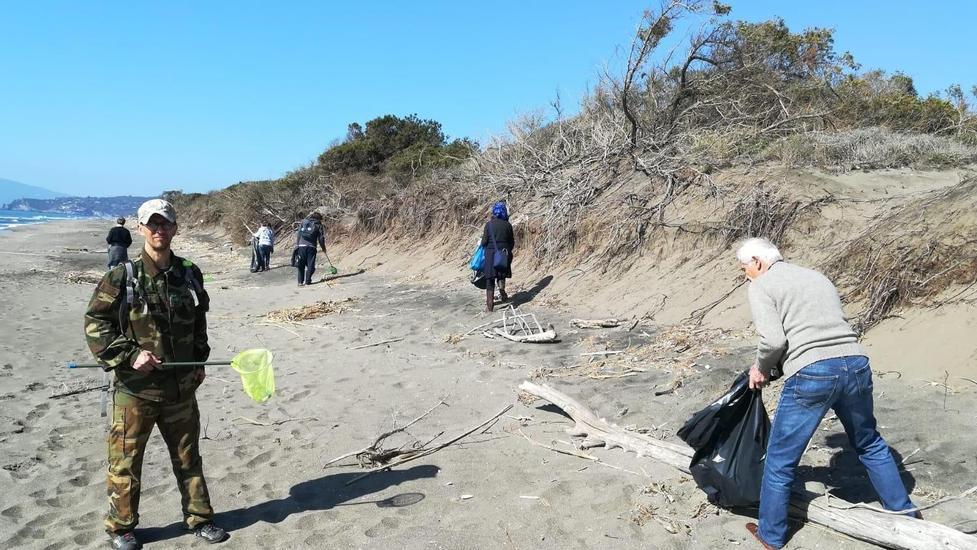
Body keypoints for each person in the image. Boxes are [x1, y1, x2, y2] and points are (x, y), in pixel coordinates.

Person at [735, 237, 918, 550]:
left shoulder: (762, 285)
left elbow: (773, 341)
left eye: (745, 269)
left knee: (780, 460)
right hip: (856, 363)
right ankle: (907, 520)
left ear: (758, 262)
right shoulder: (817, 277)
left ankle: (772, 535)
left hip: (813, 372)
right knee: (870, 442)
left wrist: (760, 369)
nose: (745, 275)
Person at [84, 199, 228, 550]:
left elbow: (199, 323)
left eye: (165, 224)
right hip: (135, 392)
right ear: (140, 229)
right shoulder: (122, 275)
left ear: (175, 229)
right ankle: (122, 529)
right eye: (152, 224)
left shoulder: (190, 272)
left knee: (188, 458)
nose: (159, 230)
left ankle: (199, 518)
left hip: (181, 390)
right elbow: (95, 323)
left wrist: (199, 362)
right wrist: (130, 355)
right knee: (125, 463)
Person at [480, 201, 515, 312]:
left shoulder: (489, 224)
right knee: (501, 274)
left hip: (490, 255)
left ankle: (489, 306)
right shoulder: (508, 225)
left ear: (494, 212)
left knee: (490, 280)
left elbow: (484, 242)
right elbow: (512, 242)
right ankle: (502, 290)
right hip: (503, 254)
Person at [294, 211, 327, 286]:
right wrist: (323, 248)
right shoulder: (318, 225)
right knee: (310, 266)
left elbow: (299, 233)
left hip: (301, 246)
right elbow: (321, 238)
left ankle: (300, 282)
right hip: (311, 247)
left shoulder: (304, 222)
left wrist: (297, 244)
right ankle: (308, 281)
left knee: (301, 264)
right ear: (319, 218)